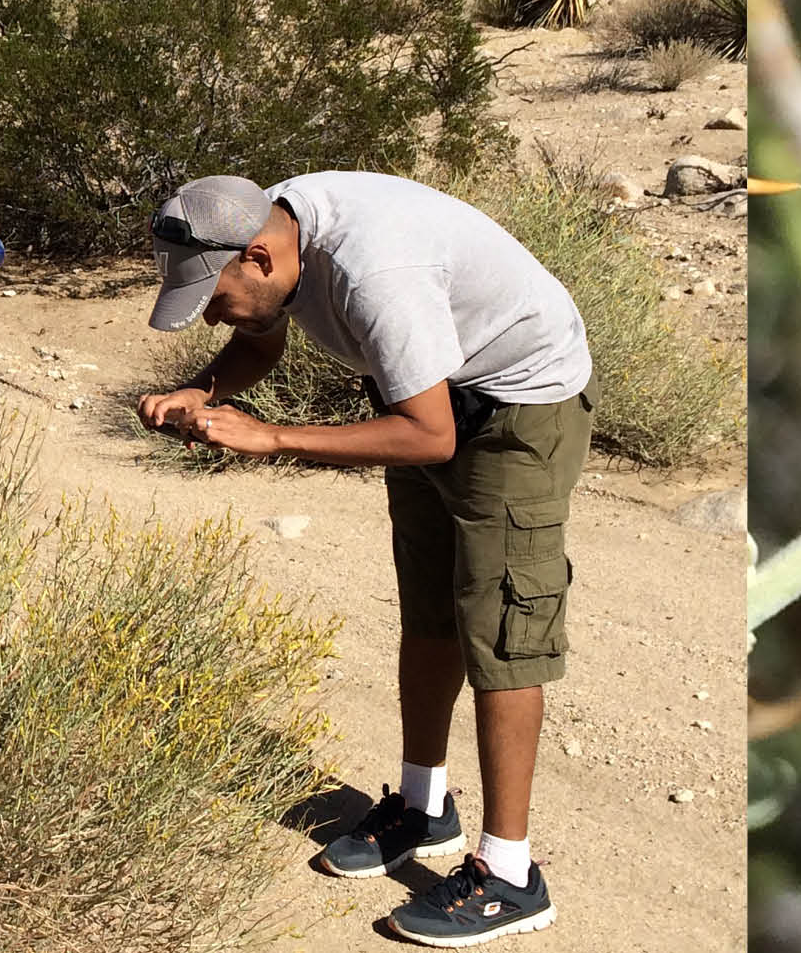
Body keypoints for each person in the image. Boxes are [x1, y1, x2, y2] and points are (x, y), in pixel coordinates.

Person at [134, 171, 591, 947]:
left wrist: (272, 437)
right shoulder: (274, 230)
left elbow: (432, 437)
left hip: (516, 406)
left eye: (214, 296)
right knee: (429, 608)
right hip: (425, 398)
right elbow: (261, 332)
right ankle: (423, 806)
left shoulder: (376, 272)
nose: (213, 313)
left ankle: (512, 876)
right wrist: (201, 391)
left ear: (258, 257)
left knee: (503, 631)